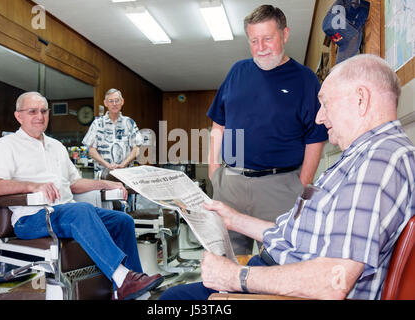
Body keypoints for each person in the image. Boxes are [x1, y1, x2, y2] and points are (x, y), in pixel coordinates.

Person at [161, 54, 415, 300]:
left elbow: (333, 280)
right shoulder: (365, 156)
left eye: (325, 104)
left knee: (172, 299)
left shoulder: (379, 161)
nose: (319, 116)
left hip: (284, 290)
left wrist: (235, 276)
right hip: (278, 273)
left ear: (361, 99)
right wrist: (233, 219)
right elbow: (301, 238)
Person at [0, 91, 163, 300]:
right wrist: (33, 186)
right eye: (32, 111)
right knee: (81, 210)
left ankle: (134, 291)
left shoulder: (56, 146)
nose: (39, 116)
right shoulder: (6, 146)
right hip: (31, 218)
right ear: (18, 116)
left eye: (43, 111)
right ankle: (123, 278)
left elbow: (74, 183)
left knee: (121, 221)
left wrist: (104, 183)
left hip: (64, 212)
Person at [207, 5, 328, 255]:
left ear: (284, 35)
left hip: (280, 186)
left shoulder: (305, 79)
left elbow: (315, 139)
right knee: (226, 259)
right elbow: (218, 124)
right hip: (231, 183)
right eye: (254, 40)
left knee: (275, 265)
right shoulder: (237, 72)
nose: (261, 47)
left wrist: (300, 186)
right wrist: (213, 171)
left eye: (268, 38)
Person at [82, 88, 143, 179]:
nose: (114, 104)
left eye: (116, 100)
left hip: (126, 175)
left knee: (125, 193)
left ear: (122, 101)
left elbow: (136, 148)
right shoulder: (97, 123)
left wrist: (123, 164)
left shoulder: (129, 122)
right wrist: (107, 165)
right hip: (103, 176)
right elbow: (91, 150)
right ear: (105, 103)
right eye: (110, 101)